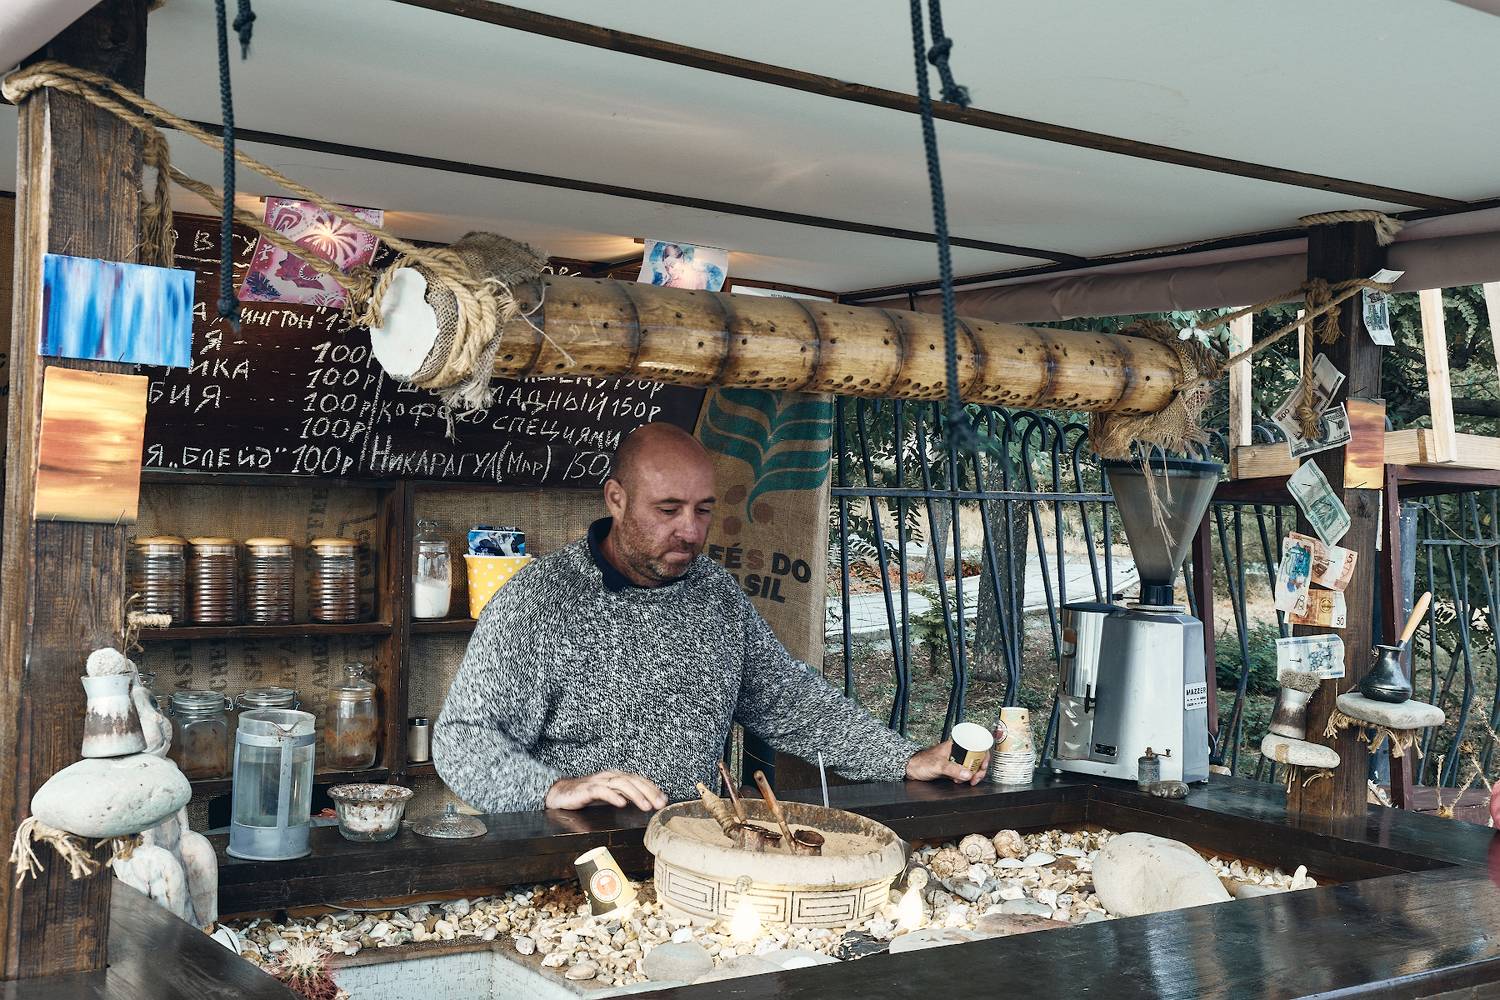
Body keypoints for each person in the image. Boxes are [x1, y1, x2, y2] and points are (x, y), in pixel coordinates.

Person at [434, 422, 984, 813]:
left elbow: (788, 699)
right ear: (616, 499)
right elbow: (463, 742)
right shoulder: (539, 602)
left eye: (703, 511)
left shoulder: (715, 593)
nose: (691, 532)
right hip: (574, 860)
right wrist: (554, 788)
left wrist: (901, 759)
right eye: (668, 510)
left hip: (694, 848)